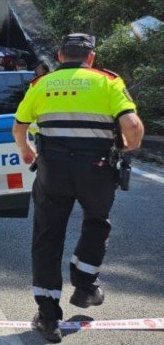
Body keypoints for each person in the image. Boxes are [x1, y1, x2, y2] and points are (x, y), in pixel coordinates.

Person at [12, 33, 145, 343]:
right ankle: (84, 286)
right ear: (91, 58)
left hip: (53, 170)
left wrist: (26, 150)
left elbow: (19, 127)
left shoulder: (41, 85)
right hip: (96, 170)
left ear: (60, 56)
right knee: (97, 223)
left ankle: (48, 318)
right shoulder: (107, 82)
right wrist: (126, 149)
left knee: (47, 237)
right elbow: (132, 126)